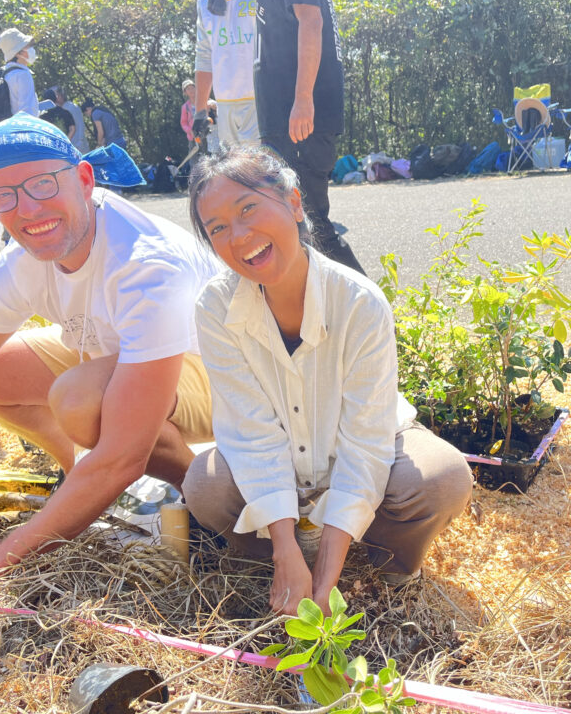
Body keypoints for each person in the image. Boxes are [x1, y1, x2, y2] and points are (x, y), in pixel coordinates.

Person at [0, 114, 218, 592]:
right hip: (119, 363)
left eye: (41, 184)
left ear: (84, 179)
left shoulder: (146, 264)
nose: (27, 210)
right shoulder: (20, 261)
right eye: (3, 196)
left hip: (216, 374)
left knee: (80, 401)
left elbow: (123, 456)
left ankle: (195, 493)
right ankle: (81, 475)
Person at [182, 144, 472, 615]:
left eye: (248, 208)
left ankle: (383, 568)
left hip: (361, 452)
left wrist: (329, 573)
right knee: (204, 485)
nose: (239, 235)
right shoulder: (215, 308)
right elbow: (250, 433)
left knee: (441, 478)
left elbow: (366, 440)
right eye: (217, 228)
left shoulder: (358, 302)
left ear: (294, 203)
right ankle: (277, 563)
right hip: (279, 468)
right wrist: (285, 549)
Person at [253, 0, 364, 275]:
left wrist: (303, 98)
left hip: (298, 119)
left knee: (312, 228)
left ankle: (376, 318)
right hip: (285, 118)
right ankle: (327, 318)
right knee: (300, 230)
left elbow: (311, 21)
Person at [193, 0, 260, 146]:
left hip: (262, 103)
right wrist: (200, 111)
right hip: (225, 106)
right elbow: (204, 54)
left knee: (260, 175)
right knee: (231, 175)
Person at [0, 27, 39, 117]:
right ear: (18, 53)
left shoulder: (5, 73)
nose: (32, 49)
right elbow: (28, 112)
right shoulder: (23, 75)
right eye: (28, 46)